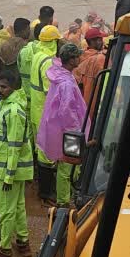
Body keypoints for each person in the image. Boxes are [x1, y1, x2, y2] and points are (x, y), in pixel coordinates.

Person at [0, 71, 34, 257]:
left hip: (9, 170)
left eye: (3, 87)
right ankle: (23, 243)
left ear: (13, 88)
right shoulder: (9, 106)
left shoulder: (13, 111)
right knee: (18, 207)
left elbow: (14, 146)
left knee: (6, 210)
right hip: (16, 169)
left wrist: (8, 175)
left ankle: (5, 249)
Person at [38, 43, 88, 206]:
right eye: (77, 56)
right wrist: (76, 133)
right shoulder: (66, 82)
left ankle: (64, 199)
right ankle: (64, 202)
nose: (80, 58)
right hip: (69, 132)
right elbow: (66, 110)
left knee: (65, 166)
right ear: (71, 60)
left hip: (61, 130)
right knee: (69, 168)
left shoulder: (61, 75)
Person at [27, 24, 62, 206]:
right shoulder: (48, 60)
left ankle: (41, 186)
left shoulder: (37, 55)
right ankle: (46, 193)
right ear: (54, 41)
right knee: (47, 153)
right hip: (45, 113)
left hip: (36, 110)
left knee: (40, 149)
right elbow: (51, 91)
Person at [75, 27, 108, 107]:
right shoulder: (100, 59)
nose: (102, 42)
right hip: (98, 105)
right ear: (92, 42)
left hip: (84, 106)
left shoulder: (79, 58)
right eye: (100, 40)